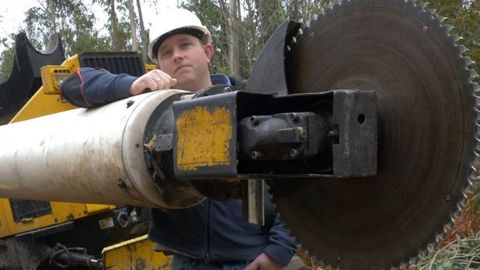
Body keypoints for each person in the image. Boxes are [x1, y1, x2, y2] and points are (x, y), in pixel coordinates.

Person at [61, 8, 299, 270]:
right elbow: (73, 83)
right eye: (167, 52)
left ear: (207, 52)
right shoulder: (151, 111)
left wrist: (278, 252)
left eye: (185, 45)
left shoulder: (251, 104)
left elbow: (297, 179)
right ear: (159, 65)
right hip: (186, 261)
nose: (177, 55)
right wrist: (130, 86)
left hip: (250, 260)